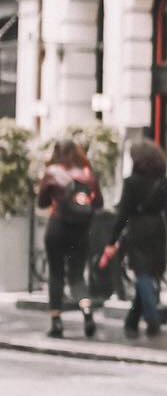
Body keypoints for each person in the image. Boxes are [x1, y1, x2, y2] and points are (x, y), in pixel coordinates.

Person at [99, 140, 167, 336]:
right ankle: (132, 320)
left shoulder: (131, 182)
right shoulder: (163, 182)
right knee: (149, 273)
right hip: (157, 229)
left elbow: (123, 215)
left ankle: (152, 318)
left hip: (137, 229)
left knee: (142, 274)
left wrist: (112, 241)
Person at [37, 139, 103, 339]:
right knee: (76, 276)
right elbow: (99, 203)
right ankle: (87, 312)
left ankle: (56, 322)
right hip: (80, 231)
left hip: (57, 227)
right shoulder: (87, 174)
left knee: (56, 274)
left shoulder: (53, 173)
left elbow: (42, 203)